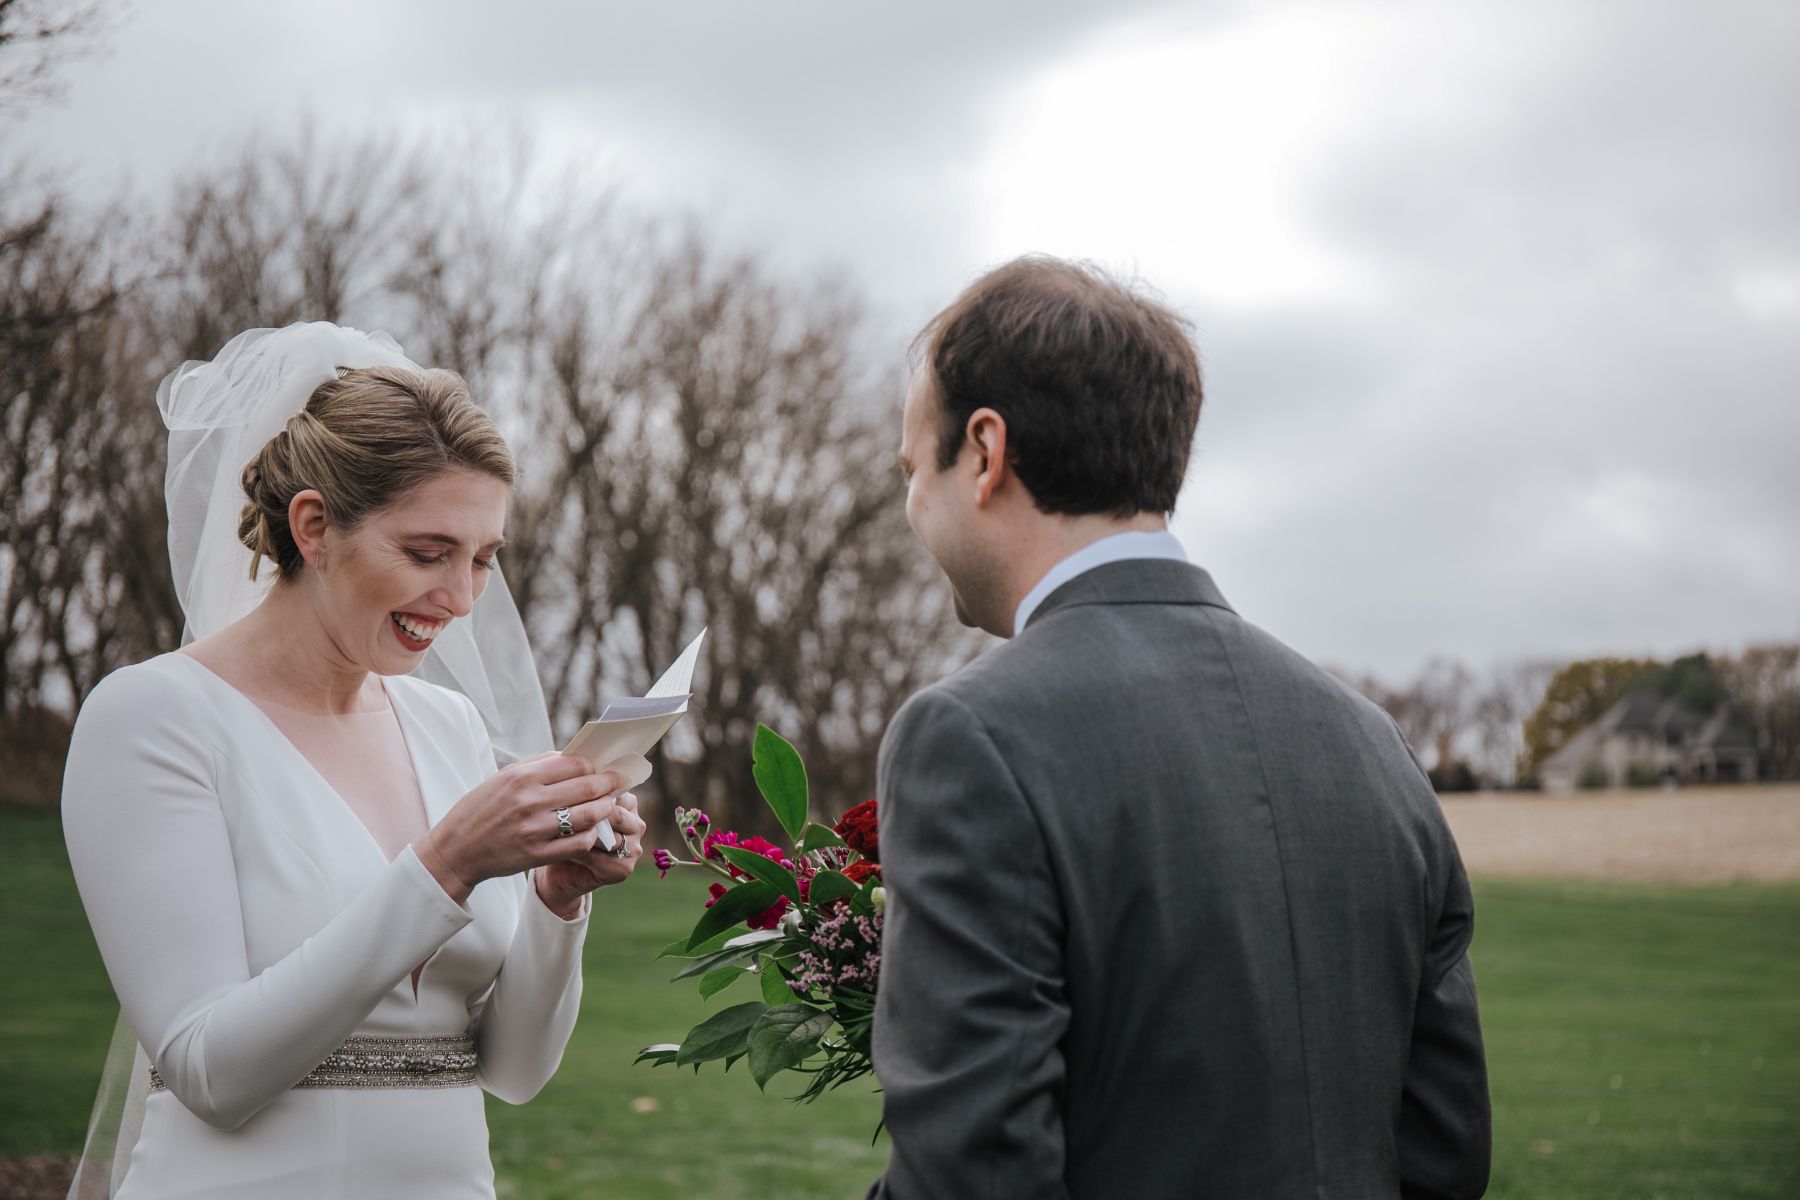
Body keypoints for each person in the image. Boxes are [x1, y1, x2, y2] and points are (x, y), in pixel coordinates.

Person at [868, 257, 1490, 1198]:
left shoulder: (970, 738)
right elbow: (1445, 1154)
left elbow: (974, 1175)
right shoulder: (1373, 743)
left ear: (986, 453)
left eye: (915, 468)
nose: (913, 500)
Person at [61, 323, 648, 1199]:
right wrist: (446, 867)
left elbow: (514, 1072)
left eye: (484, 559)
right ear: (314, 527)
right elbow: (208, 1072)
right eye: (426, 553)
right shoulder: (154, 717)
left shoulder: (446, 723)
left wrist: (558, 904)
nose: (458, 600)